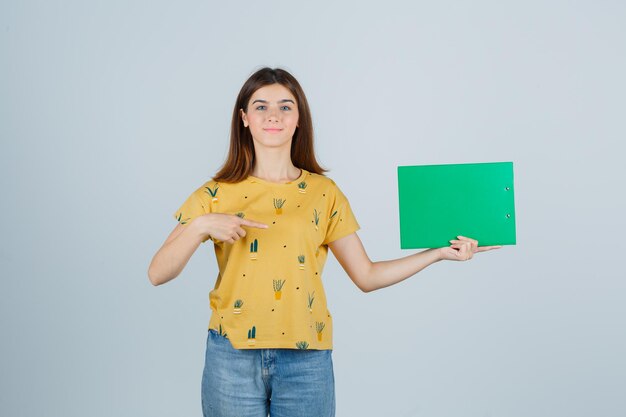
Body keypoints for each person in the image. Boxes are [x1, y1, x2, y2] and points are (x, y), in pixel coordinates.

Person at [147, 67, 501, 417]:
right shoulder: (214, 194)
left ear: (299, 119)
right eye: (261, 106)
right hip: (232, 357)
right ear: (244, 118)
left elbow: (367, 276)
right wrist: (201, 226)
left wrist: (438, 253)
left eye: (286, 106)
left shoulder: (323, 193)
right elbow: (157, 273)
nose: (273, 115)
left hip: (306, 362)